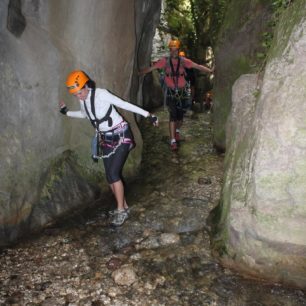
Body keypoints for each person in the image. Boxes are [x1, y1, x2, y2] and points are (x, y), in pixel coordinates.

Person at [59, 70, 158, 227]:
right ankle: (124, 206)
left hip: (121, 135)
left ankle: (120, 210)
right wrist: (67, 112)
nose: (79, 96)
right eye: (75, 95)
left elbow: (124, 104)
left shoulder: (101, 94)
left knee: (113, 174)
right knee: (109, 176)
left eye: (79, 92)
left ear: (86, 85)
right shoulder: (82, 100)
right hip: (106, 139)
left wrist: (148, 115)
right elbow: (85, 114)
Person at [139, 39, 214, 151]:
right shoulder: (164, 61)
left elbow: (197, 66)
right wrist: (139, 73)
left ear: (178, 50)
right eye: (172, 50)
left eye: (176, 50)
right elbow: (151, 68)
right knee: (173, 115)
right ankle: (173, 140)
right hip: (171, 93)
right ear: (170, 51)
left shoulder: (184, 61)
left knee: (180, 116)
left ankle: (177, 131)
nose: (174, 52)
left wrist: (210, 71)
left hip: (182, 92)